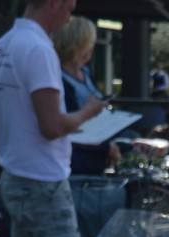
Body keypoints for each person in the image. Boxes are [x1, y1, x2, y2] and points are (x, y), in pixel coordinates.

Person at [0, 0, 105, 237]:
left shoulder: (2, 46)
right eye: (69, 7)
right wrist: (88, 113)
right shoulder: (39, 49)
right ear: (53, 3)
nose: (70, 16)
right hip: (44, 183)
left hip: (14, 178)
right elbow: (52, 126)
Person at [52, 16, 121, 175]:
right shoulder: (59, 78)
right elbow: (67, 123)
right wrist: (106, 148)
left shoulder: (85, 72)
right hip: (79, 159)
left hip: (97, 150)